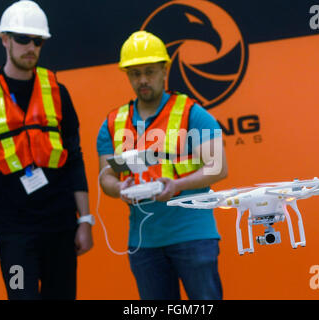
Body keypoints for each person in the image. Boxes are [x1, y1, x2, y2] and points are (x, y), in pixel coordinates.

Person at [0, 0, 94, 300]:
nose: (30, 46)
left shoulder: (57, 91)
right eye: (22, 38)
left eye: (38, 40)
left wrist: (85, 220)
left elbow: (75, 159)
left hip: (61, 230)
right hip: (13, 235)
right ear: (4, 39)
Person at [97, 30, 228, 300]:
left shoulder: (192, 113)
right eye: (135, 73)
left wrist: (177, 185)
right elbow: (106, 177)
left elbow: (218, 168)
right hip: (144, 244)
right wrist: (120, 188)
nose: (143, 80)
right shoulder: (113, 122)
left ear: (164, 70)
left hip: (194, 235)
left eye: (150, 71)